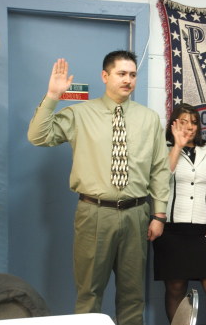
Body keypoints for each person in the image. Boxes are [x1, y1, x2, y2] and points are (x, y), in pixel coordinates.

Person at [27, 50, 170, 325]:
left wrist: (159, 214)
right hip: (94, 214)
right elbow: (38, 136)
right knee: (89, 293)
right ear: (105, 76)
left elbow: (160, 170)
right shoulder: (80, 113)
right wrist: (52, 97)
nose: (127, 80)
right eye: (121, 74)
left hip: (136, 215)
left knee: (133, 294)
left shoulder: (148, 118)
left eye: (132, 74)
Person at [153, 103, 206, 325]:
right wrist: (176, 146)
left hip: (205, 231)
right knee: (175, 287)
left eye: (194, 122)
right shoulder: (163, 148)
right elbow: (159, 180)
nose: (189, 127)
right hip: (171, 231)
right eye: (183, 122)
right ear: (173, 124)